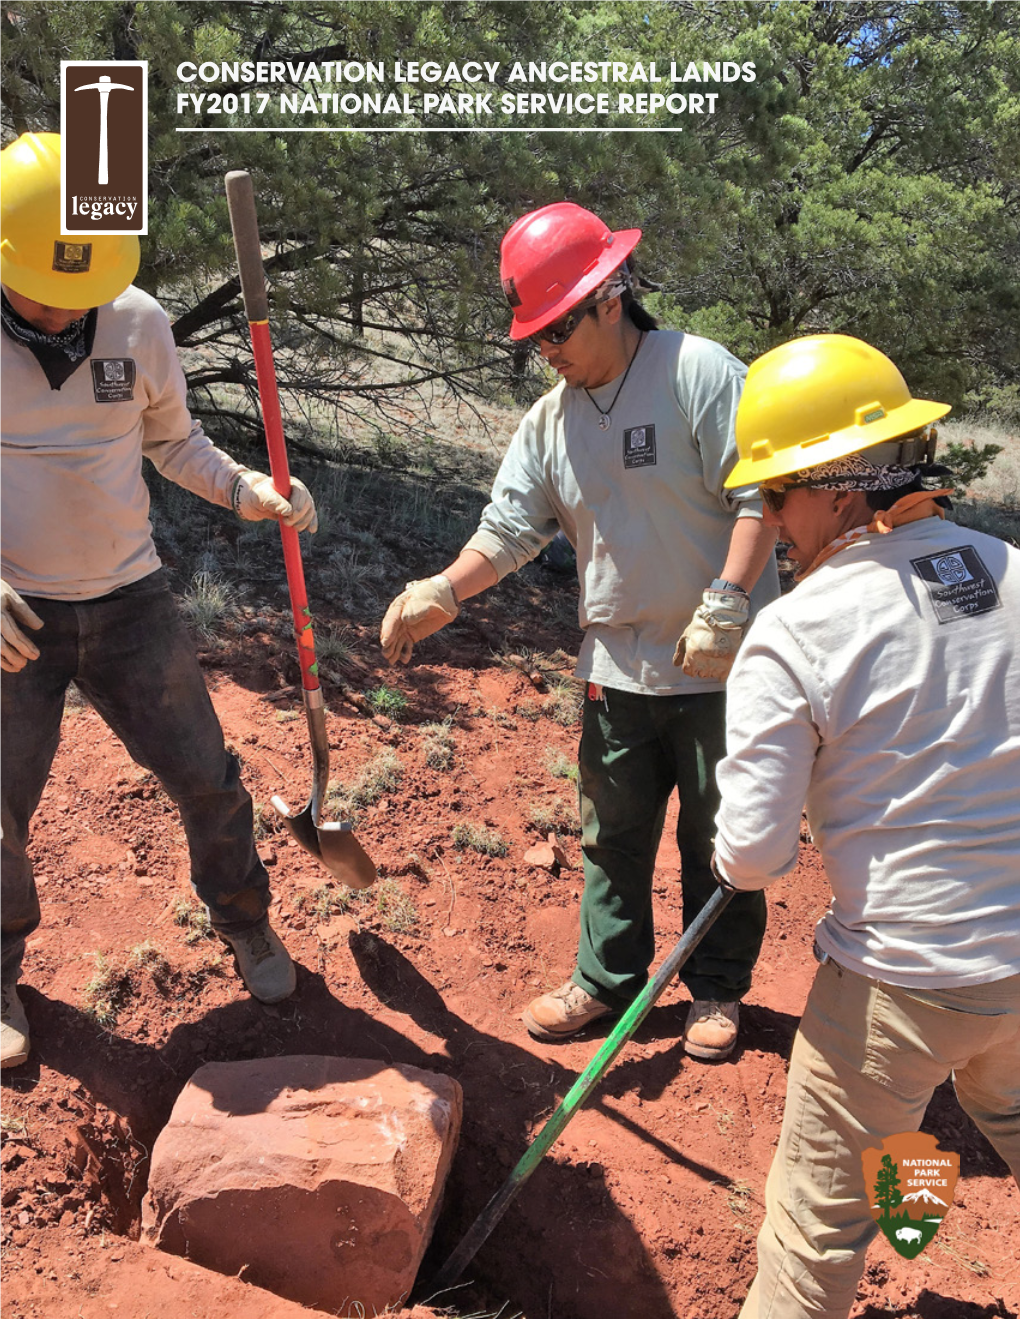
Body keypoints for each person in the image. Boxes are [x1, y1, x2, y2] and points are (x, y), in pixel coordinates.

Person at [381, 201, 779, 1059]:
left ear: (611, 296)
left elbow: (760, 497)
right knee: (613, 834)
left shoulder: (699, 373)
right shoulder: (549, 422)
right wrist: (443, 591)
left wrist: (729, 601)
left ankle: (716, 991)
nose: (547, 350)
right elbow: (511, 530)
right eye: (533, 336)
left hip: (721, 664)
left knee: (722, 836)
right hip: (618, 666)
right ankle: (607, 980)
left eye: (556, 326)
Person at [710, 333, 1020, 1317]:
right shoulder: (1013, 570)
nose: (768, 524)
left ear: (835, 487)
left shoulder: (797, 631)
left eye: (772, 497)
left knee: (815, 1239)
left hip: (898, 982)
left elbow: (753, 861)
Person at [1, 132, 318, 1069]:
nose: (68, 309)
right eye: (46, 289)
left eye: (86, 288)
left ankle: (246, 920)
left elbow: (173, 443)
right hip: (14, 615)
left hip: (131, 601)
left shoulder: (136, 321)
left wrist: (245, 490)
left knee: (207, 777)